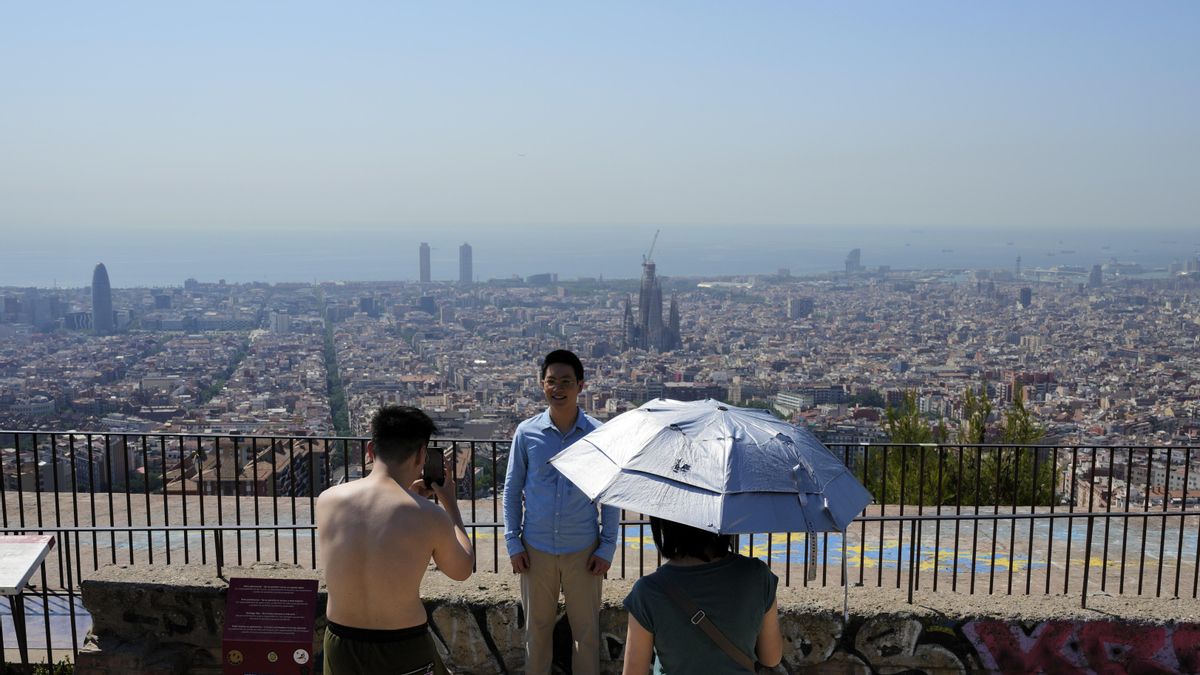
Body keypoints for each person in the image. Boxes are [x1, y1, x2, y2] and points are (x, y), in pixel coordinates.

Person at [317, 405, 474, 675]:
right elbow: (461, 570)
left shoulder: (328, 500)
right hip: (402, 644)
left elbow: (375, 529)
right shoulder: (430, 515)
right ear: (421, 455)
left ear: (370, 450)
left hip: (341, 642)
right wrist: (450, 505)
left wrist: (412, 499)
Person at [504, 349, 620, 675]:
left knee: (586, 633)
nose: (558, 388)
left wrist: (607, 547)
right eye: (551, 381)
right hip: (536, 547)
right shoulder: (527, 433)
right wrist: (513, 542)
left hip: (583, 549)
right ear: (542, 384)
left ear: (580, 385)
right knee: (536, 631)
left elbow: (610, 495)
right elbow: (512, 490)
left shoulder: (599, 435)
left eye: (566, 381)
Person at [621, 517, 783, 674]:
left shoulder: (648, 592)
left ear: (662, 523)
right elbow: (771, 658)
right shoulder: (758, 575)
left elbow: (634, 671)